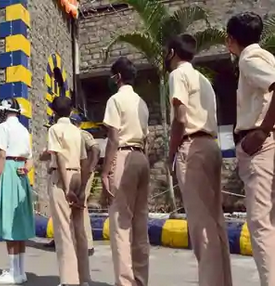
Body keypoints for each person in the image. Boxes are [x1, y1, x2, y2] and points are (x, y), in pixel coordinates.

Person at [165, 35, 232, 286]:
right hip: (211, 145)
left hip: (191, 146)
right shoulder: (203, 80)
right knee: (215, 222)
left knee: (201, 226)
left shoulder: (177, 75)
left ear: (172, 52)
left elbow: (180, 118)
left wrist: (171, 153)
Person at [226, 12, 275, 286]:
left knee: (261, 225)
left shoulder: (249, 59)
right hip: (265, 143)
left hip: (260, 145)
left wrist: (263, 130)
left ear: (232, 39)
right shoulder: (266, 56)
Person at [100, 57, 151, 286]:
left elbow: (113, 138)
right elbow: (146, 136)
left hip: (122, 155)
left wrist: (105, 171)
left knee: (121, 225)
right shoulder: (142, 102)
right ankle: (140, 280)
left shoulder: (115, 100)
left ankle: (125, 282)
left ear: (117, 77)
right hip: (141, 156)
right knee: (140, 225)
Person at [42, 95, 90, 286]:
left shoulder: (55, 129)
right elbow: (84, 159)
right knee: (79, 230)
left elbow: (59, 156)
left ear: (54, 112)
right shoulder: (76, 131)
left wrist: (65, 184)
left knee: (64, 230)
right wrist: (83, 186)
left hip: (62, 177)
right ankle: (83, 277)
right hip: (78, 173)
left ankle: (70, 279)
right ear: (71, 111)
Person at [0, 98, 35, 284]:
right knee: (19, 222)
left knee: (8, 220)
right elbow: (30, 158)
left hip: (8, 170)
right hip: (21, 171)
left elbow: (1, 155)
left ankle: (14, 272)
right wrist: (26, 169)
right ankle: (20, 271)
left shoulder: (4, 127)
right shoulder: (24, 129)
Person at [70, 113, 100, 256]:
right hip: (73, 171)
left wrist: (91, 167)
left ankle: (88, 244)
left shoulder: (82, 134)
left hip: (83, 171)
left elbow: (95, 149)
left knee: (82, 206)